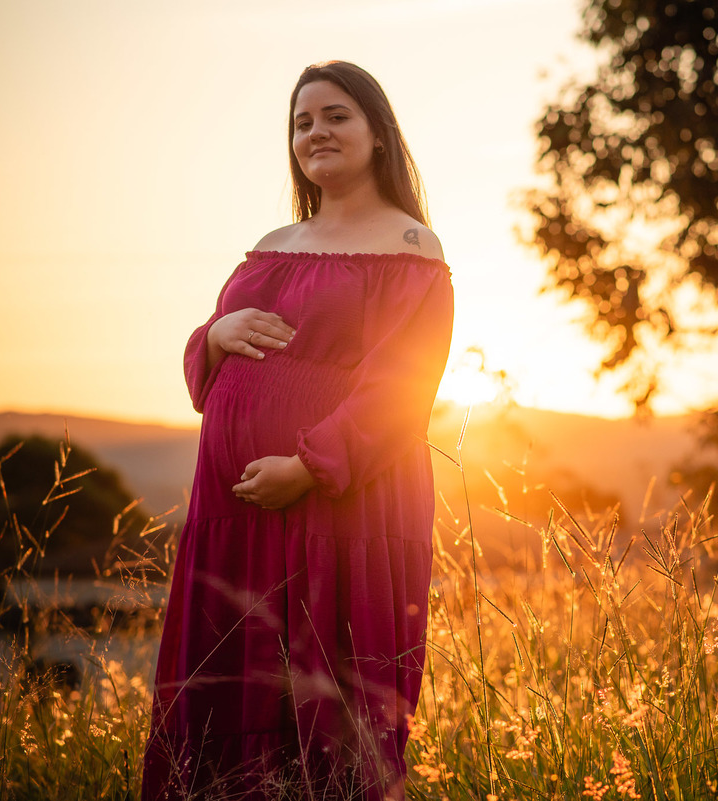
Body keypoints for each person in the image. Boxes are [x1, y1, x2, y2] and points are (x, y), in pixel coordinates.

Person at [142, 61, 454, 801]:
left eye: (336, 116)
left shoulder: (411, 246)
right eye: (301, 122)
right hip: (233, 516)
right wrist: (215, 335)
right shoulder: (272, 241)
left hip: (342, 503)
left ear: (379, 134)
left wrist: (308, 467)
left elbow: (401, 386)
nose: (316, 132)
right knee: (224, 696)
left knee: (328, 709)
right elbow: (207, 362)